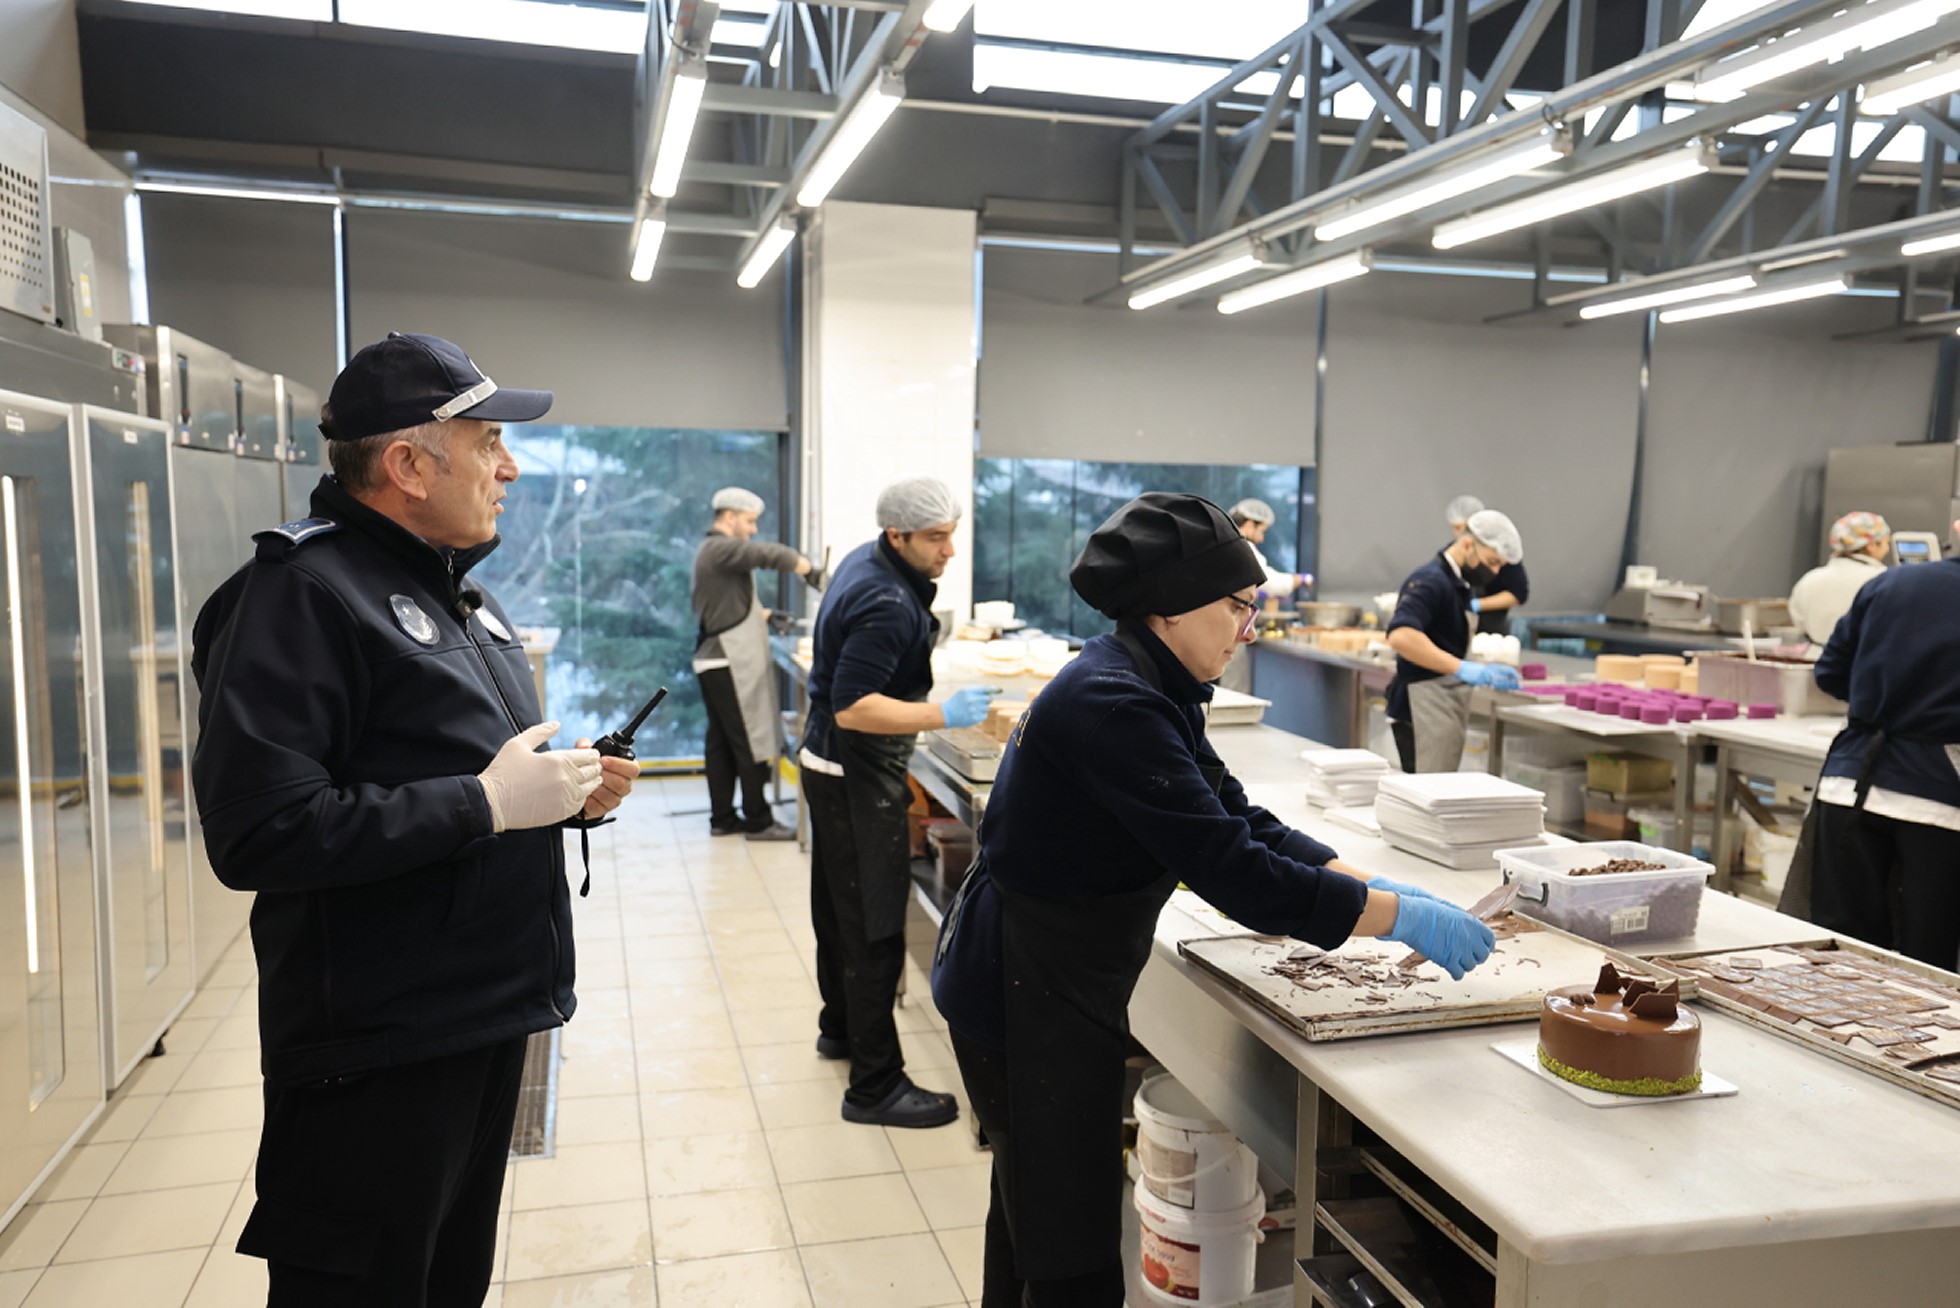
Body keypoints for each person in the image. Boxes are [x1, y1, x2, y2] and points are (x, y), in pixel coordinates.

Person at [930, 492, 1495, 1307]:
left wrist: (1361, 883)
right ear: (1170, 606)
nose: (1250, 628)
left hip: (1055, 974)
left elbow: (1237, 815)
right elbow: (1237, 874)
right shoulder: (1114, 702)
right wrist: (1397, 921)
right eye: (1238, 606)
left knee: (1036, 1215)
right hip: (1025, 987)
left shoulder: (1153, 682)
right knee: (1069, 1248)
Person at [190, 332, 638, 1307]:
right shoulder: (297, 595)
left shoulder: (462, 594)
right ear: (406, 464)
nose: (509, 468)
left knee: (447, 1284)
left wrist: (562, 796)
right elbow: (260, 829)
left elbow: (453, 772)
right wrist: (489, 802)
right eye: (487, 444)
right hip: (376, 1048)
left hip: (480, 1019)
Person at [800, 476, 995, 1128]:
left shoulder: (870, 561)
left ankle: (840, 1029)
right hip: (854, 775)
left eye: (951, 535)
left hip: (826, 764)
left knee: (838, 909)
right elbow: (854, 708)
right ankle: (874, 1086)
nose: (949, 551)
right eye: (936, 538)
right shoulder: (885, 599)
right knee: (873, 925)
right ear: (898, 534)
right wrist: (943, 713)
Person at [1806, 516, 1960, 970]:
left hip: (1851, 784)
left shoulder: (1892, 582)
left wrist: (1885, 699)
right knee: (1928, 968)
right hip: (1942, 799)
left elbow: (1830, 673)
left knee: (1842, 956)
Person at [691, 486, 821, 840]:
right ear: (729, 516)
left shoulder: (713, 553)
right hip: (727, 661)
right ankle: (758, 821)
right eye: (749, 521)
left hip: (715, 661)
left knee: (721, 742)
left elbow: (724, 608)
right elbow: (768, 554)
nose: (753, 529)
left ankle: (723, 818)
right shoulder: (719, 548)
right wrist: (808, 569)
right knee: (749, 738)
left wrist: (764, 615)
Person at [1385, 509, 1525, 773]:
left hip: (1441, 701)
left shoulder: (1458, 585)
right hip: (1422, 704)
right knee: (1424, 793)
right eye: (1492, 562)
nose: (1494, 572)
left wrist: (1478, 668)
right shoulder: (1431, 580)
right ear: (1467, 544)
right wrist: (1461, 668)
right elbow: (1401, 636)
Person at [1220, 497, 1306, 692]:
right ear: (1250, 525)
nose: (1261, 538)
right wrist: (1299, 580)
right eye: (1261, 531)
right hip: (1228, 627)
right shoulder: (1242, 547)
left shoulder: (1224, 544)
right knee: (1232, 689)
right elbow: (1270, 583)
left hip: (1218, 626)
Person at [1789, 511, 1890, 650]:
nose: (1887, 548)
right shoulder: (1883, 580)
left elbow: (1799, 622)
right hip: (1862, 660)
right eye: (1886, 542)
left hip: (1816, 658)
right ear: (1871, 545)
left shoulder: (1810, 579)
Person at [1446, 495, 1529, 637]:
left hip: (1492, 632)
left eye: (1464, 527)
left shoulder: (1500, 552)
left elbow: (1518, 593)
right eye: (1456, 528)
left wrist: (1476, 604)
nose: (1460, 533)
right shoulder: (1449, 557)